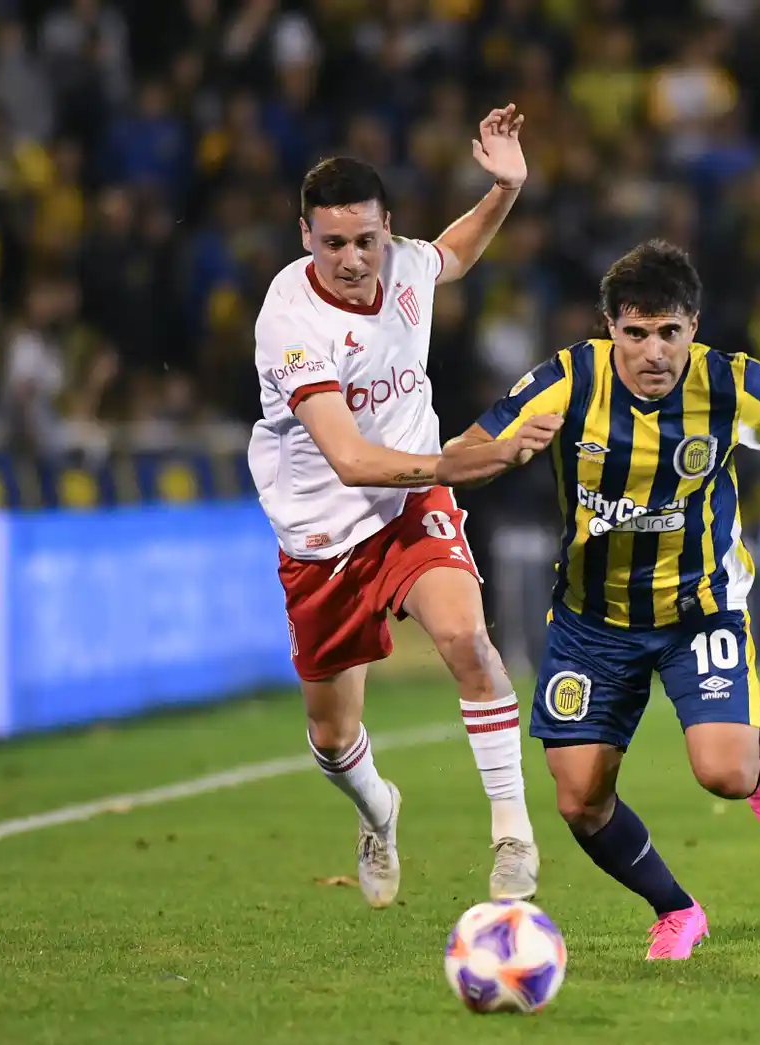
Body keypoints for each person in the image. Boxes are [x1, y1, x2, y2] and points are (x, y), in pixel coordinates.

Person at [441, 240, 760, 959]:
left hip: (697, 608)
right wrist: (507, 450)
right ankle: (676, 909)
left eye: (669, 332)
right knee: (580, 800)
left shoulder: (730, 384)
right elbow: (457, 454)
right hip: (594, 618)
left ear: (693, 327)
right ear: (609, 326)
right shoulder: (563, 381)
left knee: (726, 772)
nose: (653, 352)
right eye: (635, 332)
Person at [249, 105, 562, 910]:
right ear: (304, 237)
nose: (353, 260)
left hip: (410, 505)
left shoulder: (406, 267)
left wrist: (505, 191)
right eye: (332, 243)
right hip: (323, 533)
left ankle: (513, 835)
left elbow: (450, 254)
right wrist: (463, 459)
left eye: (366, 240)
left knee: (466, 636)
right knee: (330, 735)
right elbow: (350, 458)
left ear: (387, 229)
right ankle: (380, 811)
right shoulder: (291, 323)